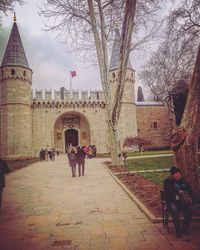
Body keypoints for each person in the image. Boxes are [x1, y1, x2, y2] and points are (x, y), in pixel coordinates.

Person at [163, 166, 193, 238]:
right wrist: (177, 191)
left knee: (190, 210)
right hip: (172, 202)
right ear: (172, 175)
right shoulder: (168, 182)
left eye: (178, 173)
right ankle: (178, 230)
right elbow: (168, 192)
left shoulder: (183, 182)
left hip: (182, 203)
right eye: (175, 173)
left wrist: (190, 197)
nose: (177, 175)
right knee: (175, 211)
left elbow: (190, 191)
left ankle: (185, 228)